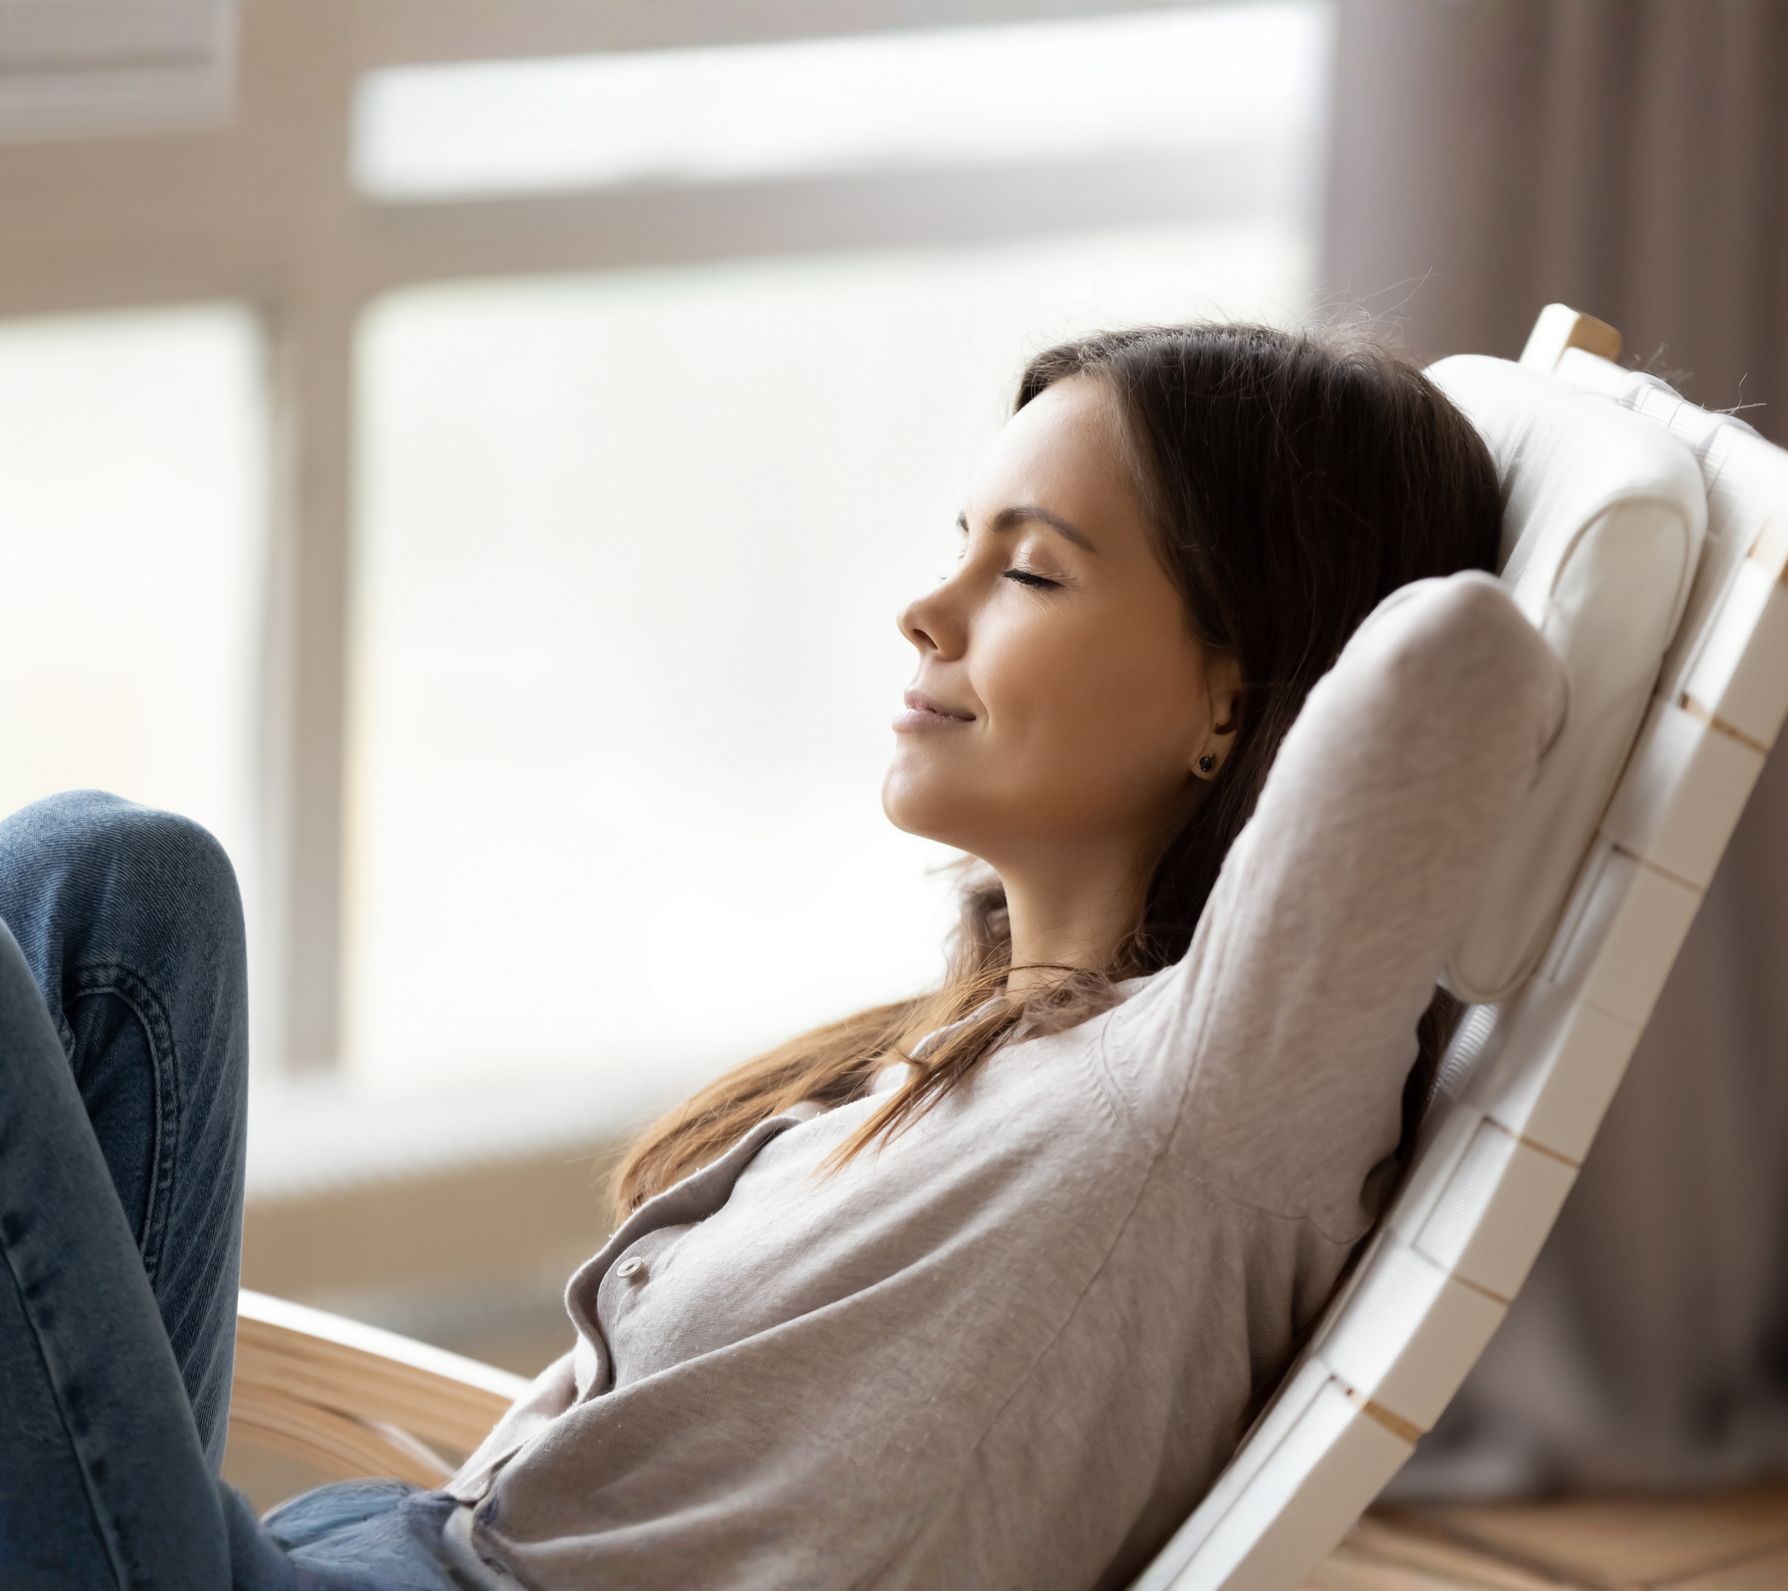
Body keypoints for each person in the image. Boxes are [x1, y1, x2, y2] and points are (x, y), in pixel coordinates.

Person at [0, 317, 1569, 1589]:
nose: (924, 607)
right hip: (334, 1557)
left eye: (1027, 570)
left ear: (1234, 698)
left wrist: (1576, 506)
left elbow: (1460, 665)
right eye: (964, 542)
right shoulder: (955, 1060)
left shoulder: (1215, 1099)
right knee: (116, 877)